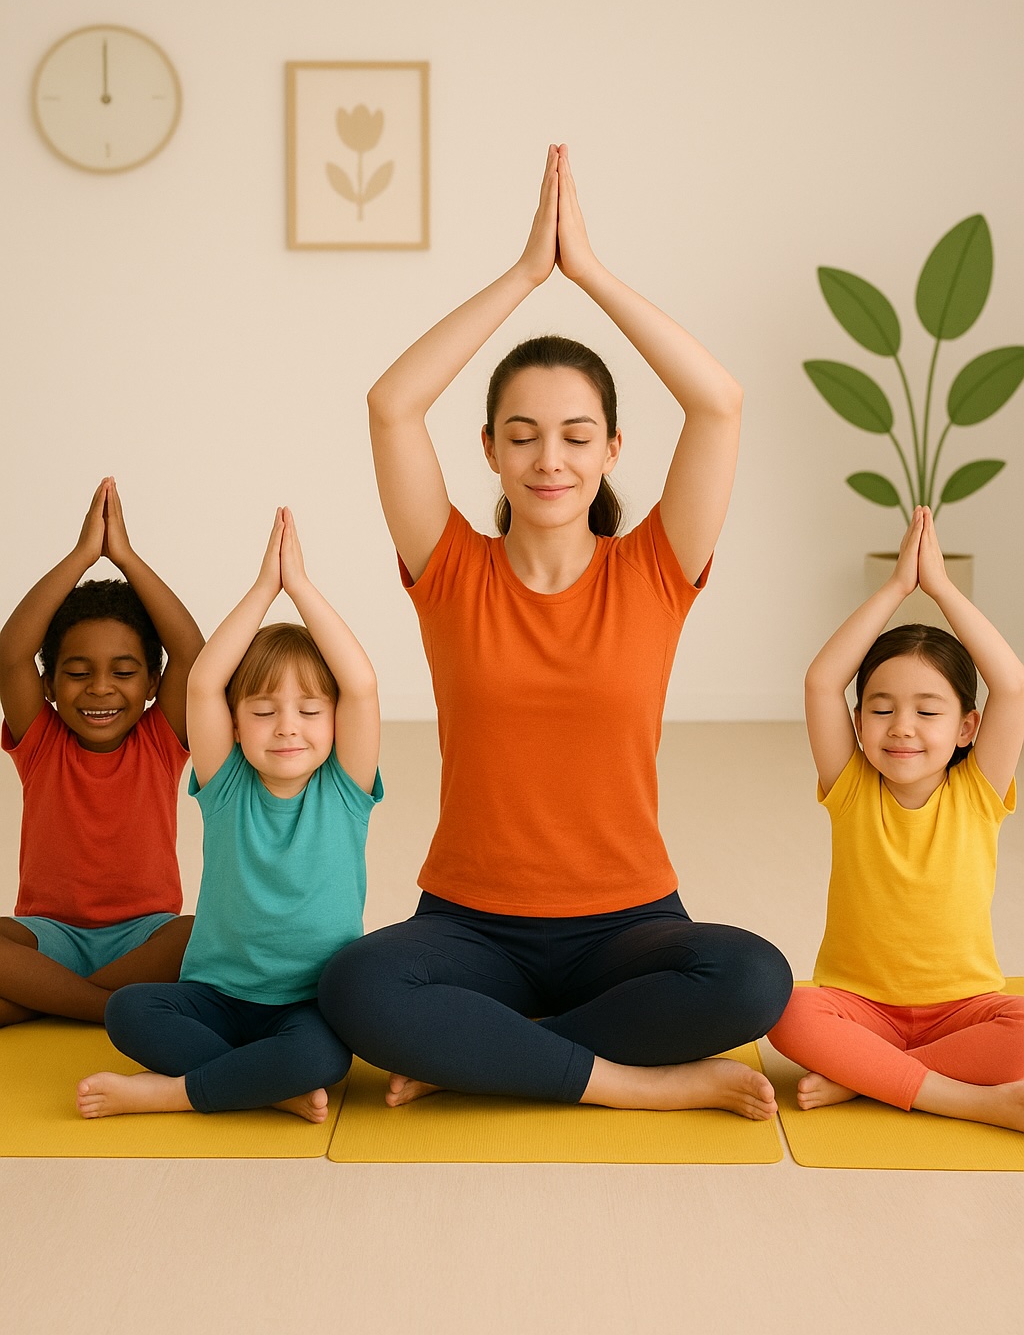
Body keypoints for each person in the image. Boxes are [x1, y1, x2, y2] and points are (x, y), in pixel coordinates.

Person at [318, 143, 791, 1117]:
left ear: (613, 447)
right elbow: (390, 404)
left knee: (753, 980)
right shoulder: (450, 571)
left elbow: (720, 402)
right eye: (521, 434)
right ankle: (624, 1084)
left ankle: (489, 1058)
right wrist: (524, 276)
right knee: (353, 989)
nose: (549, 459)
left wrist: (591, 276)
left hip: (628, 928)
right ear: (487, 448)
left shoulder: (655, 570)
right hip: (467, 929)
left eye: (576, 435)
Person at [76, 508, 382, 1123]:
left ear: (335, 721)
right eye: (264, 711)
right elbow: (204, 682)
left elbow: (363, 685)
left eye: (308, 711)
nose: (287, 727)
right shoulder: (226, 784)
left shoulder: (345, 788)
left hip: (304, 1004)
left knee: (324, 1058)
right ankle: (262, 1083)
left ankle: (174, 1093)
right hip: (214, 996)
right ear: (235, 725)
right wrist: (263, 589)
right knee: (127, 1011)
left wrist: (300, 587)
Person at [769, 506, 1024, 1131]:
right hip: (857, 1007)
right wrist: (894, 588)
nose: (902, 727)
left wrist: (941, 588)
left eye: (928, 712)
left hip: (964, 1008)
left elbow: (1012, 686)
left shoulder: (979, 790)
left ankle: (868, 1076)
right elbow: (823, 681)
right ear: (859, 724)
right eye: (881, 709)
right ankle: (958, 1096)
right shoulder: (851, 785)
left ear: (969, 727)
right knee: (785, 1012)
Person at [0, 477, 202, 1027]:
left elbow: (191, 651)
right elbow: (11, 655)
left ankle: (45, 1000)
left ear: (153, 682)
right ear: (48, 684)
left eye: (124, 671)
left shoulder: (161, 741)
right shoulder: (41, 742)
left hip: (146, 936)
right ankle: (103, 1005)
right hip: (49, 935)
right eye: (77, 672)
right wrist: (81, 555)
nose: (100, 689)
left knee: (202, 933)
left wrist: (126, 557)